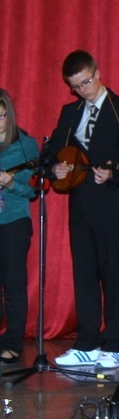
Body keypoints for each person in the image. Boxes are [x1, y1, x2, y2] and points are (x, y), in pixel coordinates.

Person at [46, 50, 119, 369]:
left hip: (110, 203)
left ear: (98, 72)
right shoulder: (70, 111)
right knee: (84, 273)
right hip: (80, 202)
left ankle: (113, 343)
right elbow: (53, 151)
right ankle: (86, 342)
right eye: (75, 86)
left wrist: (113, 174)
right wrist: (54, 169)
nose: (82, 90)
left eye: (86, 82)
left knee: (112, 272)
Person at [0, 89, 39, 364]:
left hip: (13, 222)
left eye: (1, 116)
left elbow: (34, 190)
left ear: (9, 115)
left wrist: (12, 183)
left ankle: (13, 342)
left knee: (13, 283)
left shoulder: (26, 145)